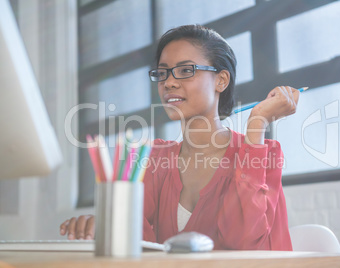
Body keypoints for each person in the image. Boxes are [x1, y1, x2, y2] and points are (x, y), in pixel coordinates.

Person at [60, 24, 299, 250]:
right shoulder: (155, 158)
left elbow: (243, 243)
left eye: (186, 70)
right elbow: (138, 240)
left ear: (221, 80)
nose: (169, 82)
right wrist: (102, 226)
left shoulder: (260, 153)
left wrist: (257, 124)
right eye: (162, 73)